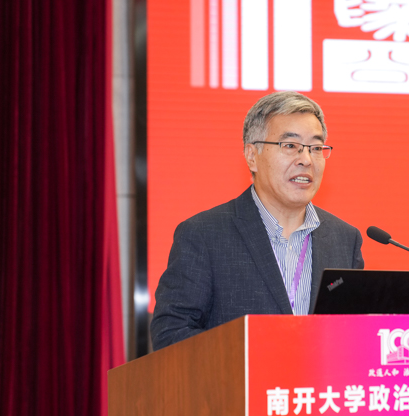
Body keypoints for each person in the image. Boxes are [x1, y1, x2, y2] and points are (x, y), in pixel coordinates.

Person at [151, 92, 364, 350]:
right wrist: (249, 358)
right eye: (290, 146)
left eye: (316, 148)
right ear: (252, 156)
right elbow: (171, 333)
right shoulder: (204, 235)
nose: (306, 159)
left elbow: (356, 333)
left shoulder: (345, 239)